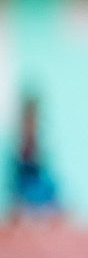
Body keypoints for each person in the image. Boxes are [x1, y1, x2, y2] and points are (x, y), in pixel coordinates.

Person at [8, 95, 60, 226]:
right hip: (27, 177)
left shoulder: (32, 128)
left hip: (34, 176)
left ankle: (43, 212)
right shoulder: (25, 129)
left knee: (48, 187)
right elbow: (22, 157)